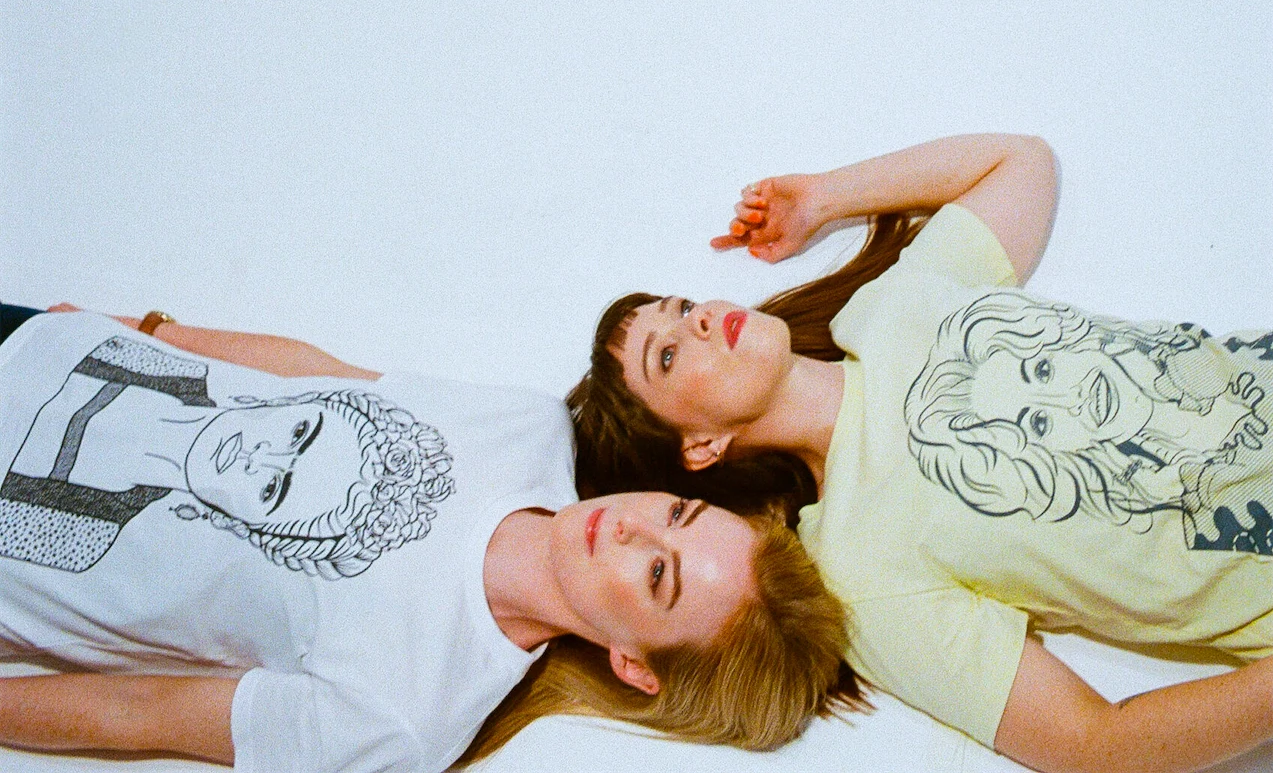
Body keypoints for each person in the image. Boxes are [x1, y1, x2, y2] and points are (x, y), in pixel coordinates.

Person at [570, 135, 1273, 773]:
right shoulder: (860, 564)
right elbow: (1090, 743)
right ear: (700, 445)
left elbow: (1021, 162)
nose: (695, 319)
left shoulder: (889, 304)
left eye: (681, 306)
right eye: (667, 356)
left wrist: (823, 197)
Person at [0, 300, 852, 769]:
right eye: (676, 513)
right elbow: (319, 371)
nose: (630, 526)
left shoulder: (405, 715)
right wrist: (145, 332)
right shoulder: (530, 428)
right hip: (42, 345)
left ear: (633, 662)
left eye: (658, 575)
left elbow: (139, 711)